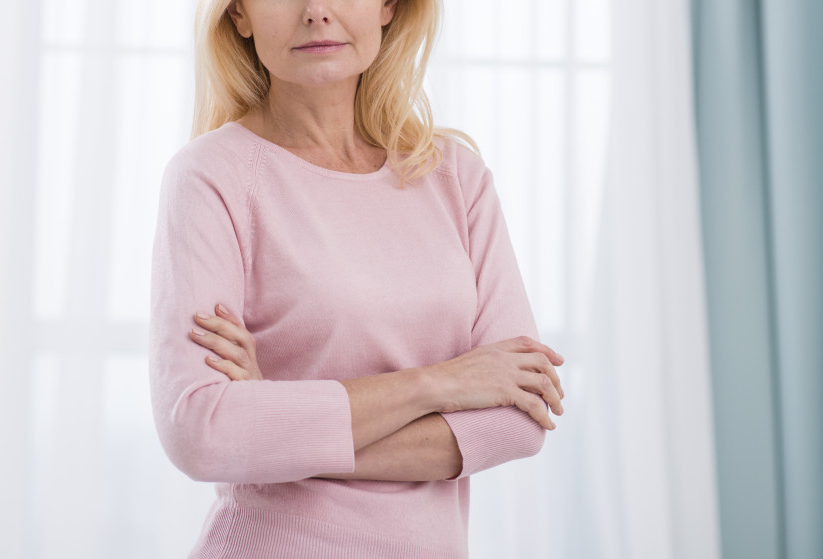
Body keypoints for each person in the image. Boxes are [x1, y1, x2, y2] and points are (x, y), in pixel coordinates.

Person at [147, 0, 567, 556]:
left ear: (389, 6)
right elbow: (203, 432)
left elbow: (519, 418)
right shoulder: (210, 177)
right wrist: (441, 383)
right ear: (239, 15)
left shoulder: (454, 177)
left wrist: (280, 428)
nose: (317, 11)